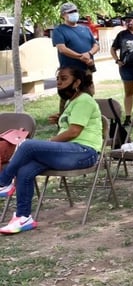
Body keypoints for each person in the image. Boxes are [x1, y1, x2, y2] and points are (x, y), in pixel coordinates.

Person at [0, 67, 102, 234]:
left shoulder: (84, 100)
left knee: (28, 145)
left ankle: (3, 182)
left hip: (84, 152)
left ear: (77, 82)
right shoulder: (72, 102)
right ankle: (23, 217)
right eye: (57, 79)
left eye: (64, 79)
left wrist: (49, 142)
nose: (59, 82)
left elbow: (74, 132)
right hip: (70, 151)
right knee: (25, 170)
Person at [52, 2, 98, 107]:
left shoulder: (85, 29)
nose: (74, 13)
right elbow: (62, 49)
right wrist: (80, 57)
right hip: (69, 72)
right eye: (70, 12)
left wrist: (89, 53)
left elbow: (96, 45)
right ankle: (64, 121)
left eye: (75, 11)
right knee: (68, 97)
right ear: (63, 15)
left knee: (88, 95)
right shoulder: (59, 30)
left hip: (86, 70)